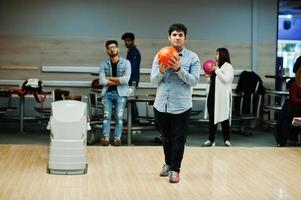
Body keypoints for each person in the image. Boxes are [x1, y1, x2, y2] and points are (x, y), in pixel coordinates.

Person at [151, 23, 200, 183]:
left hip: (181, 106)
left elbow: (194, 81)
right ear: (169, 37)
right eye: (174, 34)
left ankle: (175, 169)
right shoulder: (160, 55)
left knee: (179, 138)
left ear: (185, 38)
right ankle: (168, 163)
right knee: (166, 138)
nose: (177, 37)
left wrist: (179, 69)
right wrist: (162, 70)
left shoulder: (193, 58)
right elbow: (153, 80)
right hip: (161, 104)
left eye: (180, 35)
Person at [98, 40, 131, 146]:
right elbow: (102, 81)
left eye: (113, 47)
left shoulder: (126, 63)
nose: (111, 49)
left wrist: (109, 79)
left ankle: (117, 138)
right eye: (109, 48)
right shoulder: (104, 64)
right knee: (106, 117)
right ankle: (106, 137)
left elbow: (125, 80)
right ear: (107, 51)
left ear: (118, 49)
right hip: (107, 94)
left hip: (121, 94)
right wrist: (118, 80)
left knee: (119, 117)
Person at [202, 48, 234, 147]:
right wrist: (207, 76)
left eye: (217, 54)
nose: (215, 56)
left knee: (224, 117)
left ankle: (227, 139)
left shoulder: (228, 67)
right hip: (212, 95)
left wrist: (217, 70)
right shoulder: (216, 66)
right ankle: (211, 139)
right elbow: (213, 82)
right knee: (212, 118)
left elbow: (226, 80)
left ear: (222, 55)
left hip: (222, 97)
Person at [121, 32, 141, 124]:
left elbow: (132, 68)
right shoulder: (131, 52)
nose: (126, 42)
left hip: (132, 80)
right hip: (130, 79)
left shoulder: (134, 52)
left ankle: (134, 120)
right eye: (125, 41)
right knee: (130, 100)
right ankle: (133, 119)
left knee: (131, 100)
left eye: (128, 40)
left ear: (133, 41)